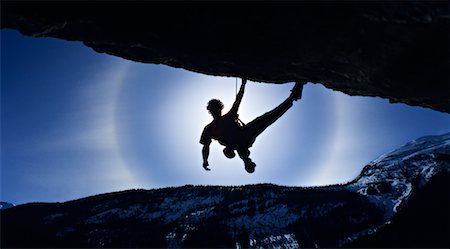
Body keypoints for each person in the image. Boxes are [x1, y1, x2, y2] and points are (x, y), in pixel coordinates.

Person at [200, 78, 304, 173]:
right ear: (210, 111)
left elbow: (238, 100)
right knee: (267, 119)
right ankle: (246, 161)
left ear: (220, 108)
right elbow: (206, 146)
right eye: (214, 109)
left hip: (245, 135)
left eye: (217, 108)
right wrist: (205, 160)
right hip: (241, 140)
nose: (216, 111)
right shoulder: (209, 129)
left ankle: (293, 96)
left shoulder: (223, 120)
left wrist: (243, 84)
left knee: (268, 117)